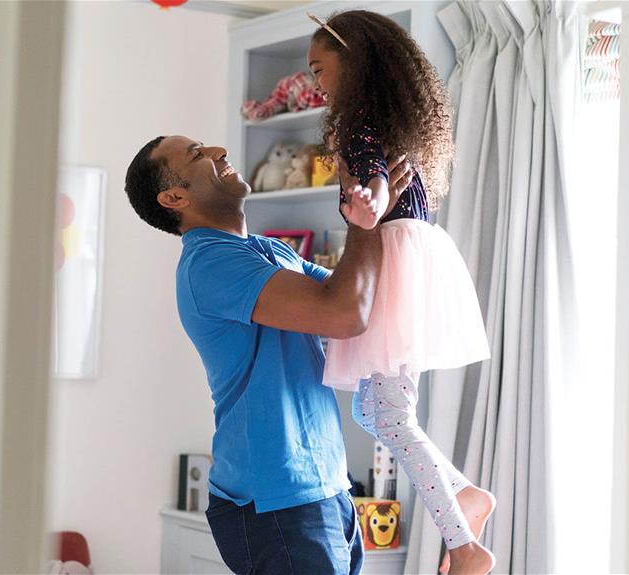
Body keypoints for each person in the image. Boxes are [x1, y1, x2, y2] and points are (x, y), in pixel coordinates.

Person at [124, 134, 415, 574]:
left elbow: (363, 301)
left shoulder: (269, 250)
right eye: (198, 155)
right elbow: (344, 314)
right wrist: (364, 220)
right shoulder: (210, 265)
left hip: (325, 485)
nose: (219, 151)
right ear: (174, 197)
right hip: (277, 499)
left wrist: (377, 207)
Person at [307, 10, 496, 575]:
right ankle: (464, 494)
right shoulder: (392, 119)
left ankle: (463, 544)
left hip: (392, 260)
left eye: (320, 68)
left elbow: (374, 176)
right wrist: (365, 200)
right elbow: (378, 177)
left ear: (354, 59)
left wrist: (364, 201)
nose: (316, 82)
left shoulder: (360, 119)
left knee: (387, 413)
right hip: (408, 254)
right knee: (375, 408)